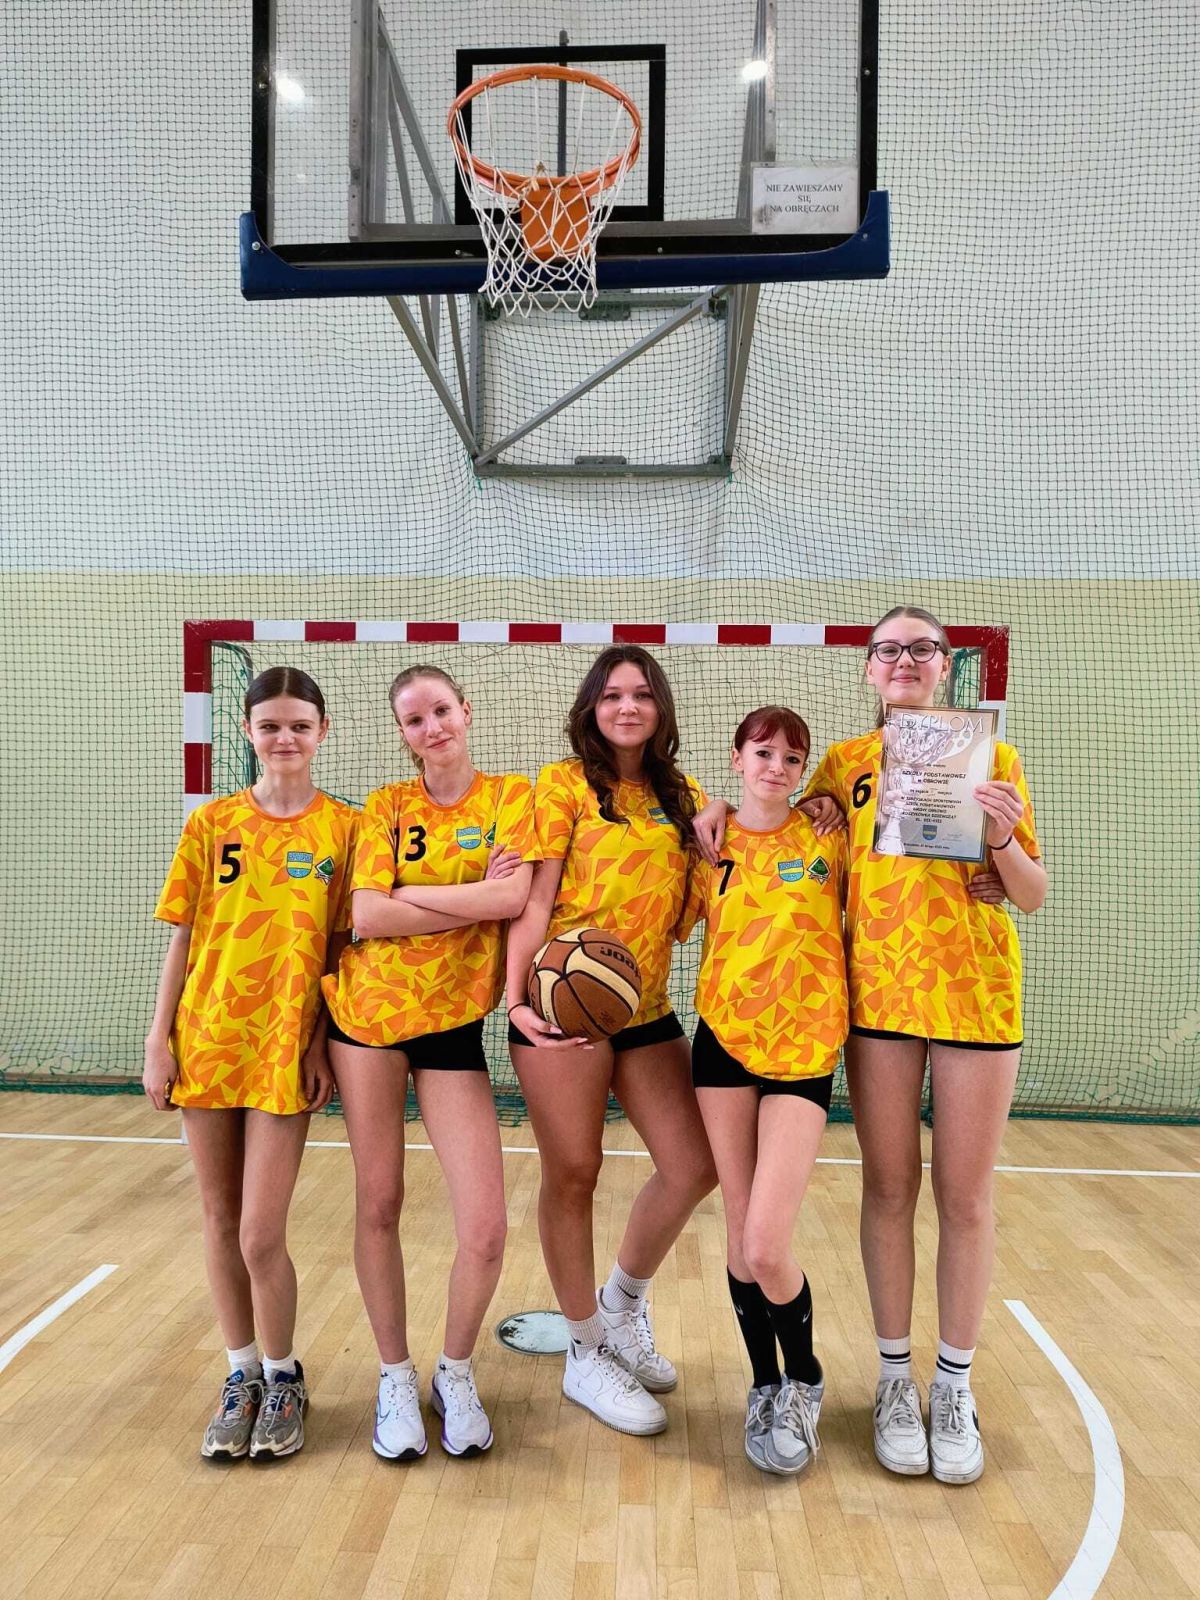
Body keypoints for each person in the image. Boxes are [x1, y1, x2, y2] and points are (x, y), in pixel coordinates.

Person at [696, 607, 1047, 1484]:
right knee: (889, 1188)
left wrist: (1001, 840)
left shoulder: (993, 759)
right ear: (869, 669)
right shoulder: (844, 767)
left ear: (945, 665)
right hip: (878, 999)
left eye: (922, 649)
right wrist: (716, 807)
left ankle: (953, 1387)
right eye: (888, 649)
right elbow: (781, 824)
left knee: (965, 1198)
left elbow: (1032, 893)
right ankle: (894, 1382)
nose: (904, 661)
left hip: (975, 998)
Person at [323, 665, 535, 1461]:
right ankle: (393, 1377)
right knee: (379, 1201)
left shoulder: (510, 798)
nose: (432, 727)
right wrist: (467, 898)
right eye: (414, 719)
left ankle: (454, 1370)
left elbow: (511, 902)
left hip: (451, 1024)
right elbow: (365, 914)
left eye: (441, 710)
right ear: (403, 733)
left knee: (485, 1224)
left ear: (465, 711)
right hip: (366, 1020)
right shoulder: (386, 803)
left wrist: (410, 897)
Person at [144, 666, 357, 1461]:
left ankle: (283, 1374)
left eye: (299, 725)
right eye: (270, 725)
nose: (284, 737)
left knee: (261, 1232)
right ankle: (240, 1375)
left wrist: (319, 1040)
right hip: (207, 1038)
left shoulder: (345, 829)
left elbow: (343, 947)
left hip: (283, 1047)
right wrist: (158, 1039)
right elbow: (184, 936)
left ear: (323, 731)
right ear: (247, 732)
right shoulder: (212, 824)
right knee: (218, 1218)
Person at [505, 645, 717, 1436]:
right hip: (563, 1007)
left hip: (644, 1007)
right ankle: (585, 1352)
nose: (628, 707)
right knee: (574, 1173)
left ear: (661, 708)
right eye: (612, 695)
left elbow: (715, 890)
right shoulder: (561, 785)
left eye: (642, 694)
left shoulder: (685, 797)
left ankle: (622, 1307)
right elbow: (534, 903)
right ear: (591, 708)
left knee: (695, 1165)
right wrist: (514, 1001)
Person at [676, 706, 848, 1477]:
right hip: (722, 1044)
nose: (776, 767)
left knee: (766, 1243)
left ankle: (805, 1378)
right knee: (739, 1237)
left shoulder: (828, 837)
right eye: (763, 753)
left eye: (791, 758)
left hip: (804, 1048)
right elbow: (672, 923)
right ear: (737, 758)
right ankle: (765, 1384)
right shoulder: (708, 845)